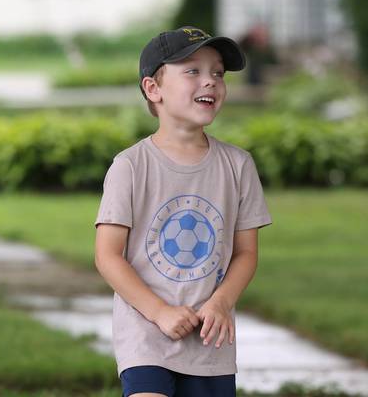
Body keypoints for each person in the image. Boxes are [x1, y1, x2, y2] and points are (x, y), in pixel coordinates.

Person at [94, 26, 272, 397]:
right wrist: (159, 311)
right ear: (153, 89)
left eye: (218, 73)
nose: (210, 82)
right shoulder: (131, 166)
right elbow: (108, 256)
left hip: (210, 338)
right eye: (192, 71)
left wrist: (221, 303)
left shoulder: (238, 165)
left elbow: (246, 254)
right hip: (146, 331)